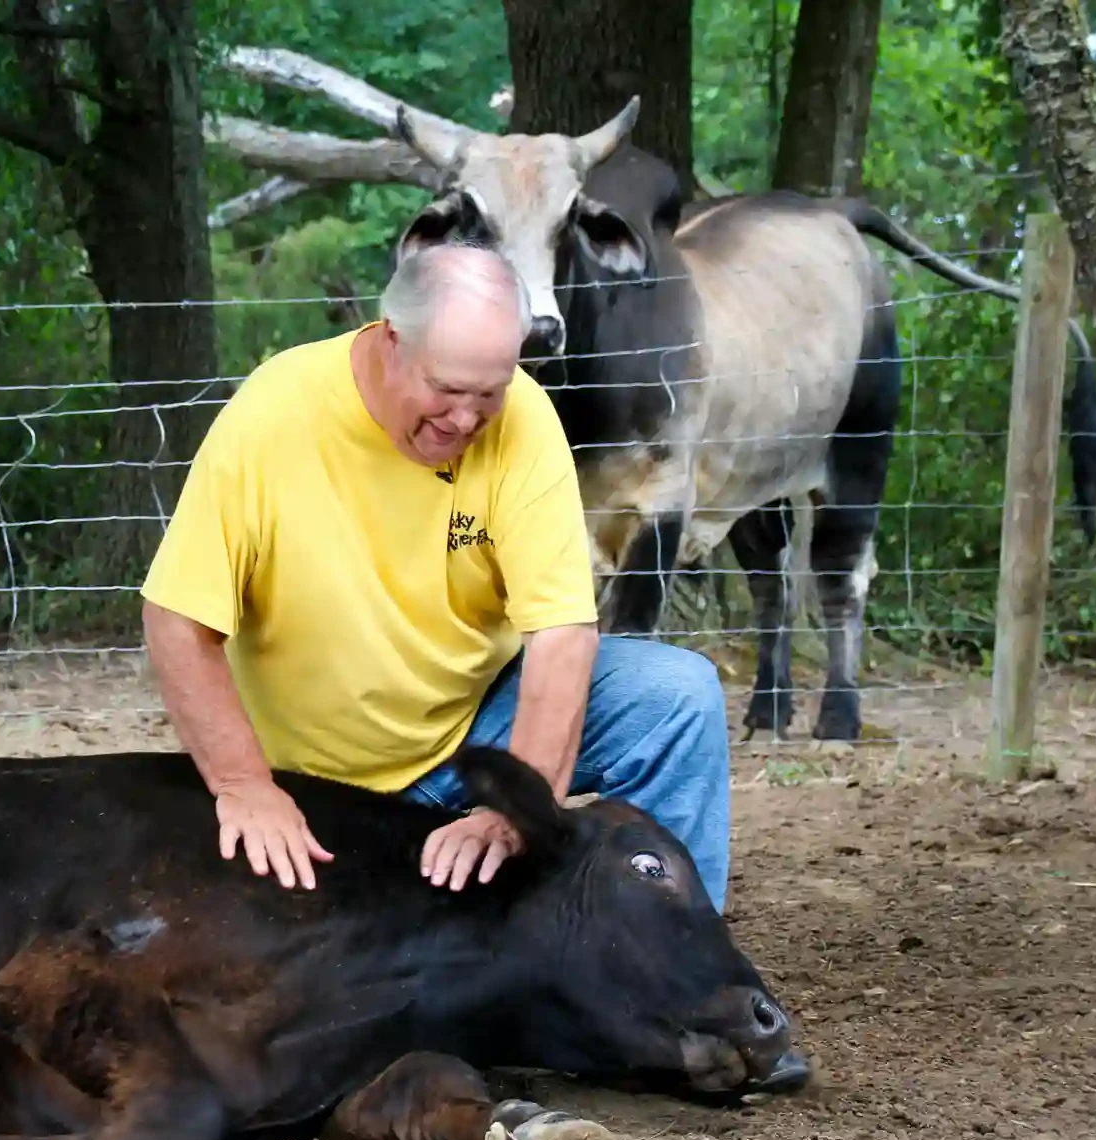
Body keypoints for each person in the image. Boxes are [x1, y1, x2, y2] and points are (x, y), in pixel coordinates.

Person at [140, 242, 731, 907]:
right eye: (446, 390)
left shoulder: (525, 421)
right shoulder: (274, 415)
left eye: (490, 394)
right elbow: (177, 619)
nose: (465, 418)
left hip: (476, 729)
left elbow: (562, 635)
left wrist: (517, 810)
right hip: (320, 772)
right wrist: (244, 785)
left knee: (678, 699)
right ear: (391, 339)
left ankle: (673, 958)